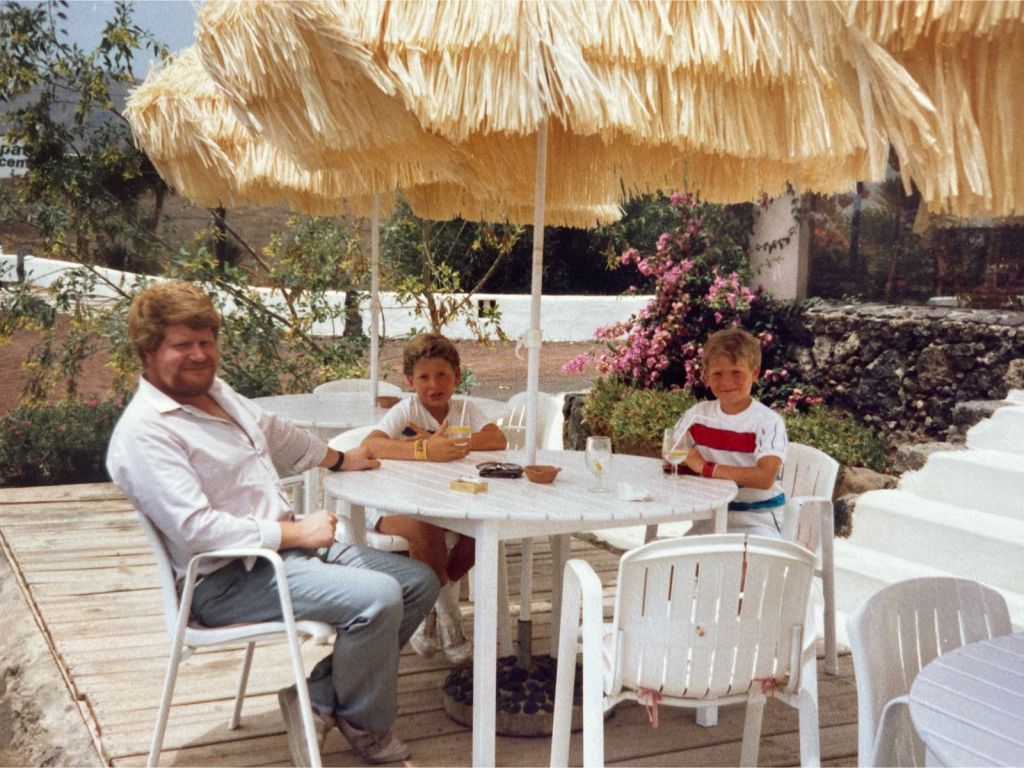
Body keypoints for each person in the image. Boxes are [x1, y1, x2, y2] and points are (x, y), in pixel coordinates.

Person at [106, 281, 438, 766]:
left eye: (206, 342)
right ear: (148, 352)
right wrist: (295, 533)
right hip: (225, 579)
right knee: (379, 597)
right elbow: (197, 530)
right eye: (182, 345)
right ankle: (366, 722)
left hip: (284, 553)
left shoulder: (215, 392)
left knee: (418, 580)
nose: (199, 355)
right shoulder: (145, 432)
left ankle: (319, 698)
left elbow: (275, 432)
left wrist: (339, 458)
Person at [362, 333, 506, 664]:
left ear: (457, 376)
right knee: (425, 529)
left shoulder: (466, 409)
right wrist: (425, 448)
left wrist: (452, 441)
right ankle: (450, 618)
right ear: (410, 381)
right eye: (424, 377)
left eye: (442, 375)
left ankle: (428, 604)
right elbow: (370, 445)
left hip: (449, 500)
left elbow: (497, 439)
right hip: (396, 505)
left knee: (482, 530)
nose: (434, 384)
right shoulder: (406, 410)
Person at [673, 326, 788, 538]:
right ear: (706, 377)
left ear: (755, 373)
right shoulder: (698, 415)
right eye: (717, 374)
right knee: (674, 556)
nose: (727, 382)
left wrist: (706, 468)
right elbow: (671, 451)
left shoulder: (768, 421)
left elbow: (765, 478)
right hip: (709, 517)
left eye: (737, 373)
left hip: (759, 520)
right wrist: (685, 459)